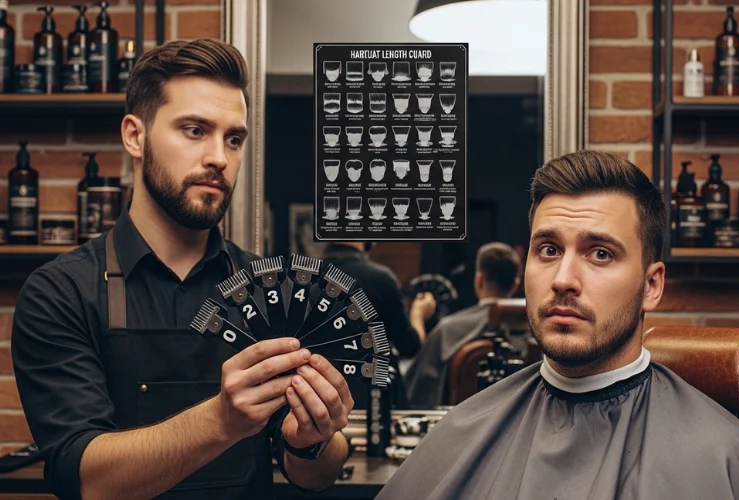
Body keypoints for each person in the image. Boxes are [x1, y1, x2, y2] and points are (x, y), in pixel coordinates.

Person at [11, 39, 353, 500]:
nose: (219, 157)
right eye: (195, 130)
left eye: (234, 139)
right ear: (135, 136)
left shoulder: (270, 290)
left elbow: (315, 475)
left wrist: (311, 440)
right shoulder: (61, 293)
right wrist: (221, 421)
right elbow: (87, 480)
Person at [375, 150, 739, 500]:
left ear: (651, 286)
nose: (563, 279)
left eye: (600, 254)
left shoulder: (721, 459)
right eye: (548, 249)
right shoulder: (461, 432)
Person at [404, 242, 521, 408]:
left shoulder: (447, 330)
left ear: (479, 280)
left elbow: (416, 389)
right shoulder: (534, 332)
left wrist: (417, 317)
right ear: (515, 284)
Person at [321, 241, 436, 408]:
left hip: (315, 399)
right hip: (371, 402)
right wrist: (418, 314)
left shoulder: (305, 277)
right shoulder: (379, 279)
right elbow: (409, 347)